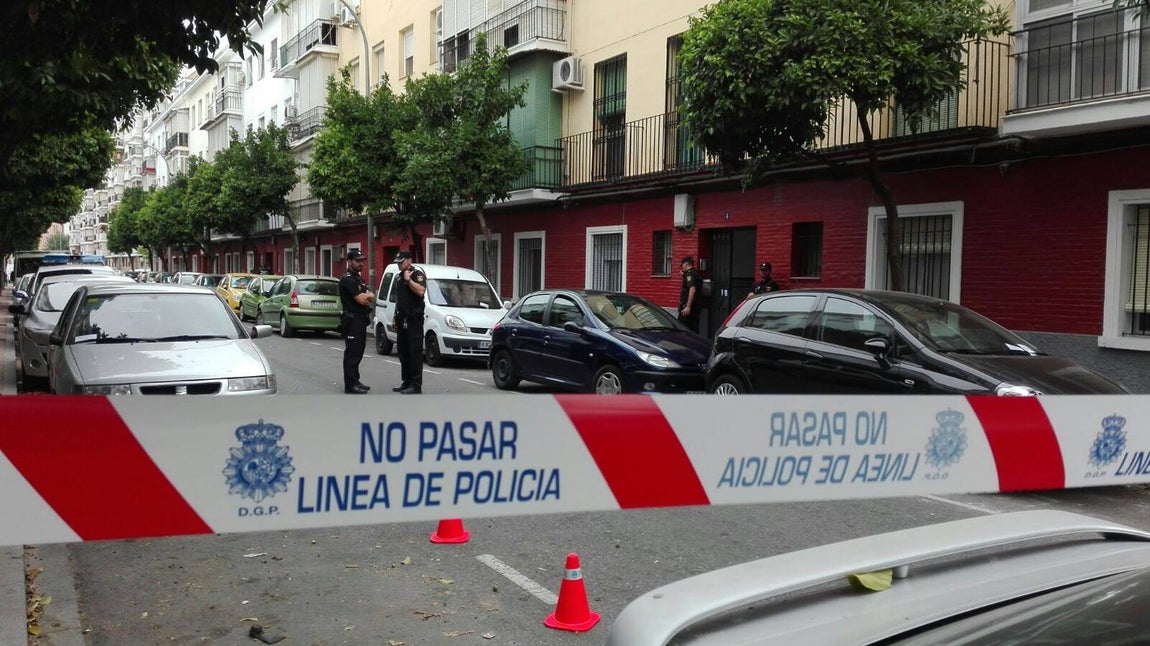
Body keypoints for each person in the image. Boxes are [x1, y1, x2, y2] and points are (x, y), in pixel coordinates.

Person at [338, 249, 375, 394]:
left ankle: (355, 380)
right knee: (352, 353)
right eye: (357, 260)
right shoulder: (347, 279)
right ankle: (350, 384)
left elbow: (371, 296)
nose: (361, 263)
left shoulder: (358, 279)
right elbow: (362, 299)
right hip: (352, 320)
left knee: (359, 352)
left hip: (360, 320)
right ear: (349, 261)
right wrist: (367, 297)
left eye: (362, 260)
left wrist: (368, 297)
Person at [392, 250, 427, 394]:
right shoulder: (399, 278)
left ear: (409, 260)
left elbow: (421, 291)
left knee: (415, 353)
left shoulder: (417, 275)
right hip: (402, 320)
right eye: (398, 262)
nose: (399, 264)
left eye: (401, 261)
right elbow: (399, 300)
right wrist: (395, 316)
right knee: (403, 352)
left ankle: (416, 385)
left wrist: (409, 280)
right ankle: (406, 381)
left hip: (414, 321)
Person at [678, 256, 702, 333]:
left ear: (686, 264)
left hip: (688, 307)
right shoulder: (694, 274)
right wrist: (683, 275)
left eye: (682, 265)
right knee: (693, 328)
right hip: (695, 307)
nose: (682, 268)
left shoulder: (690, 274)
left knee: (682, 328)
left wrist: (688, 306)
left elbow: (692, 289)